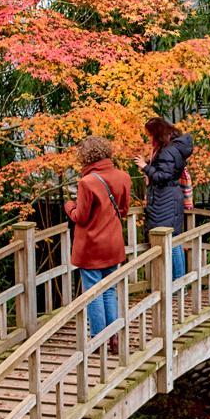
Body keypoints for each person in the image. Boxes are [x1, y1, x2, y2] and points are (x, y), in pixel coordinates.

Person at [65, 135, 131, 343]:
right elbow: (124, 210)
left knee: (94, 292)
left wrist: (69, 206)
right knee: (109, 289)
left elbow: (80, 217)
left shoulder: (87, 182)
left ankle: (98, 338)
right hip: (113, 244)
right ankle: (114, 337)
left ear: (85, 156)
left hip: (92, 246)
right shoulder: (123, 176)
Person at [137, 115, 194, 279]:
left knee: (172, 241)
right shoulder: (171, 149)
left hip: (165, 200)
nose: (149, 138)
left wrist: (145, 167)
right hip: (168, 199)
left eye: (150, 134)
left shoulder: (168, 151)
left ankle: (178, 283)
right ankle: (178, 282)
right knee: (173, 239)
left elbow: (163, 176)